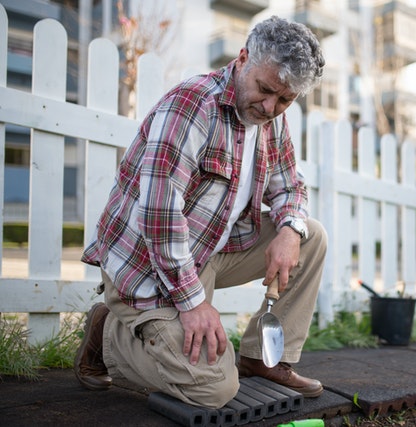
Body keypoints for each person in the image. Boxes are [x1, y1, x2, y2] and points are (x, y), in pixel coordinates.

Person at [74, 16, 327, 409]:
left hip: (209, 251)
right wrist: (193, 304)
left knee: (311, 235)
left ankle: (262, 359)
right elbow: (158, 215)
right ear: (243, 58)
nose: (269, 107)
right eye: (264, 90)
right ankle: (107, 334)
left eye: (284, 99)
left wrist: (290, 231)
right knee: (214, 390)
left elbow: (290, 185)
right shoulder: (192, 105)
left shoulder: (271, 118)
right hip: (149, 268)